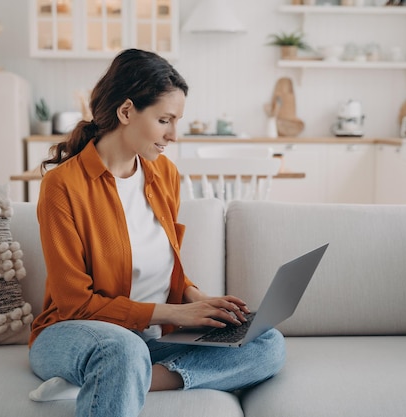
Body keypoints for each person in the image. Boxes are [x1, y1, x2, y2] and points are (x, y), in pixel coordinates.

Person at [28, 49, 286, 417]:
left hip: (148, 340)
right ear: (127, 111)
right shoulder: (62, 186)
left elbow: (165, 269)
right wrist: (179, 315)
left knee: (266, 342)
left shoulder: (164, 175)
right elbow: (74, 304)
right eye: (164, 119)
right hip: (73, 333)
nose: (173, 135)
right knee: (123, 351)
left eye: (176, 121)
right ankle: (117, 371)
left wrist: (202, 301)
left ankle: (121, 380)